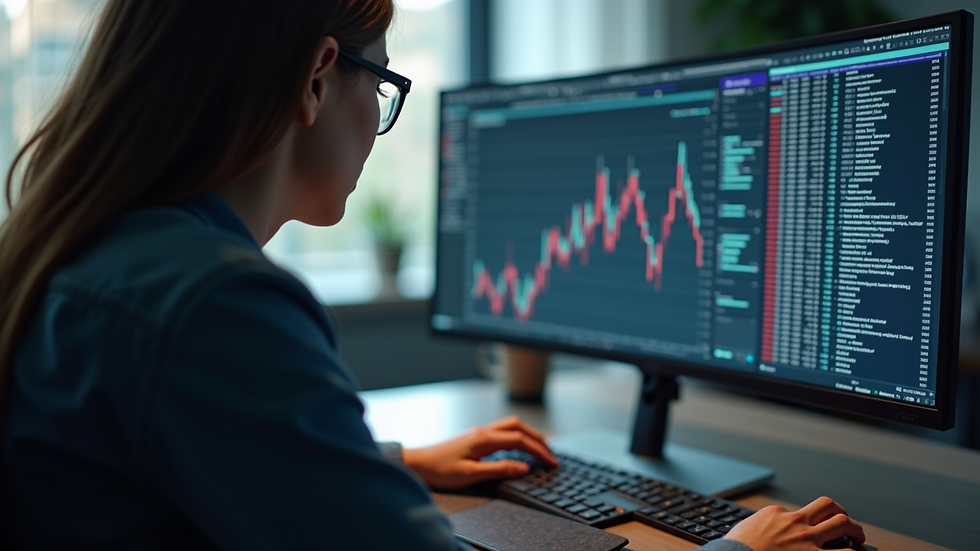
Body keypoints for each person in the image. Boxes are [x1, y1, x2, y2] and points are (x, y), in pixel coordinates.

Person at [0, 1, 866, 550]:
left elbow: (155, 452)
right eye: (380, 88)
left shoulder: (84, 249)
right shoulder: (215, 303)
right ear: (314, 78)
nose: (378, 120)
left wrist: (385, 464)